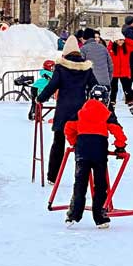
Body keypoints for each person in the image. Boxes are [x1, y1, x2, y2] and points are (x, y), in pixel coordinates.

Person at [63, 83, 127, 229]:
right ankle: (100, 217)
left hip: (82, 151)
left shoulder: (81, 111)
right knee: (100, 185)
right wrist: (120, 146)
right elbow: (117, 130)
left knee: (80, 184)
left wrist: (74, 142)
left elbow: (68, 128)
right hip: (99, 151)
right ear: (106, 99)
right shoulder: (106, 113)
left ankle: (73, 215)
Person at [36, 35, 95, 185]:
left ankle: (52, 176)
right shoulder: (86, 68)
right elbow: (95, 86)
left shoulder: (61, 68)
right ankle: (81, 175)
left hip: (63, 111)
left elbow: (52, 86)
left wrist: (40, 99)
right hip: (81, 111)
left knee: (58, 143)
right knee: (80, 144)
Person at [108, 36, 133, 116]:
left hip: (124, 72)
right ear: (115, 40)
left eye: (122, 40)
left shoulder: (127, 47)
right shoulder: (111, 48)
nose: (121, 42)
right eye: (119, 40)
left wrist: (126, 39)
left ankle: (130, 104)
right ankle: (112, 107)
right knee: (113, 90)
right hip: (114, 72)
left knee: (127, 90)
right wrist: (112, 42)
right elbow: (107, 50)